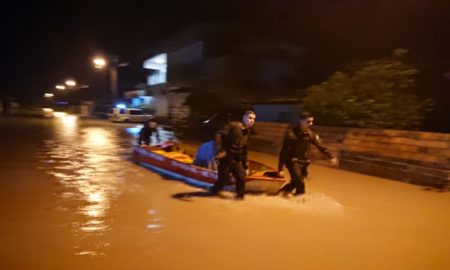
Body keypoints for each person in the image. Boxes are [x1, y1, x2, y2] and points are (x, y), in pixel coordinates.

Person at [277, 112, 339, 196]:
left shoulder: (310, 134)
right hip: (292, 162)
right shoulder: (291, 134)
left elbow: (321, 146)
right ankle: (299, 202)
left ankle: (279, 194)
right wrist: (280, 169)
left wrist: (331, 157)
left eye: (312, 122)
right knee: (300, 183)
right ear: (301, 121)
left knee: (295, 183)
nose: (311, 124)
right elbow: (284, 152)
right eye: (308, 122)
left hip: (304, 163)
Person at [209, 110, 256, 200]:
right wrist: (220, 149)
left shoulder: (247, 133)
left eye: (254, 119)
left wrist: (245, 166)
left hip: (237, 160)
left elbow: (244, 150)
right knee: (223, 180)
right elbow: (218, 134)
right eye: (250, 118)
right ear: (244, 118)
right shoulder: (233, 126)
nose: (252, 120)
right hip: (226, 159)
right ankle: (212, 191)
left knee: (241, 179)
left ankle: (240, 198)